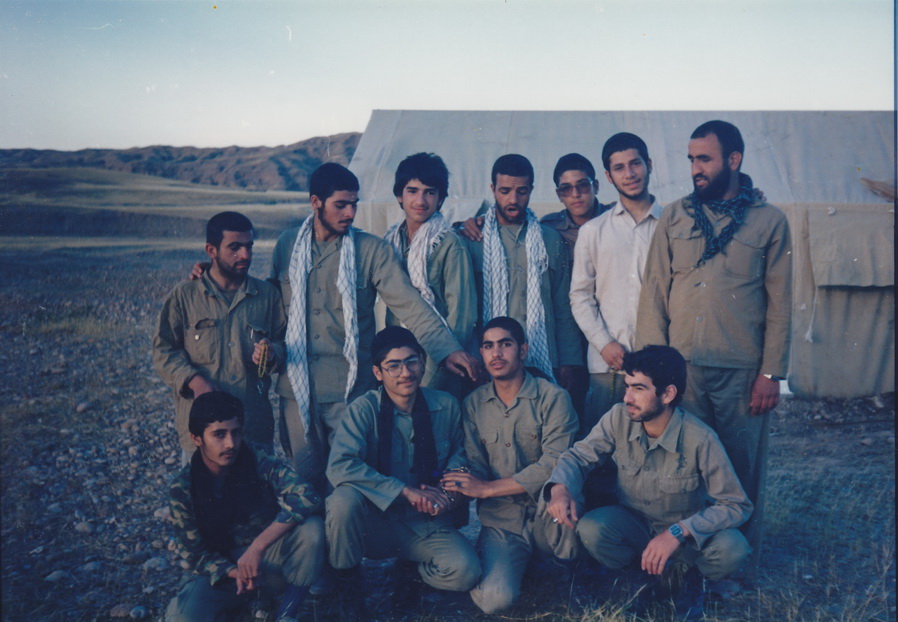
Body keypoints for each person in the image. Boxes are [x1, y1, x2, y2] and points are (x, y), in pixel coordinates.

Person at [636, 120, 791, 580]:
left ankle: (737, 568)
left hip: (742, 373)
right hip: (682, 372)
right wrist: (652, 372)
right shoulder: (675, 217)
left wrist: (771, 373)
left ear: (734, 160)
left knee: (740, 472)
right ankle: (687, 565)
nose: (695, 169)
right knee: (685, 471)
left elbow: (781, 303)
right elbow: (654, 293)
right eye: (691, 159)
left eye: (704, 158)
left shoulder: (769, 221)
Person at [268, 162, 480, 490]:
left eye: (354, 204)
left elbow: (410, 305)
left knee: (351, 485)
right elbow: (270, 306)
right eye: (341, 205)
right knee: (306, 483)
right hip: (296, 390)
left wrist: (448, 350)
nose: (350, 213)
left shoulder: (371, 250)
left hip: (349, 392)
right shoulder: (287, 245)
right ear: (315, 202)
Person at [545, 345, 752, 620]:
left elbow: (736, 505)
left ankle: (692, 582)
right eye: (627, 386)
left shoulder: (700, 438)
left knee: (732, 548)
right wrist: (560, 488)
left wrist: (678, 532)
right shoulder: (618, 417)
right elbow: (578, 457)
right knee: (593, 528)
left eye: (639, 389)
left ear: (668, 394)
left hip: (687, 540)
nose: (627, 397)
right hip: (638, 529)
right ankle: (642, 577)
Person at [325, 327, 481, 619]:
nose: (405, 373)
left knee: (465, 572)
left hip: (424, 520)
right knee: (342, 500)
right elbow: (341, 465)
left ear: (423, 362)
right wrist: (403, 491)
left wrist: (447, 494)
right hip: (374, 521)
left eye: (412, 362)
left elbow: (459, 457)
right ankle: (347, 586)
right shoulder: (363, 410)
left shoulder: (445, 405)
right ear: (378, 372)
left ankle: (412, 573)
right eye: (393, 366)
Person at [440, 316, 579, 614]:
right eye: (488, 346)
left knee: (564, 505)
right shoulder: (473, 404)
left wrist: (487, 489)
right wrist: (458, 482)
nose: (496, 353)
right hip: (503, 521)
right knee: (495, 600)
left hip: (547, 513)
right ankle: (511, 568)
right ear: (481, 353)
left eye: (505, 344)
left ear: (523, 350)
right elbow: (473, 463)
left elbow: (556, 462)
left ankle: (561, 575)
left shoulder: (553, 398)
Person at [165, 391, 324, 622]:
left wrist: (258, 547)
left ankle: (287, 612)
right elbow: (194, 554)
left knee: (312, 530)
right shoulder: (183, 488)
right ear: (197, 438)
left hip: (266, 560)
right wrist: (234, 571)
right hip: (223, 572)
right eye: (219, 434)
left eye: (236, 432)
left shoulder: (256, 459)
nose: (231, 443)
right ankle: (245, 604)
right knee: (182, 617)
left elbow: (306, 495)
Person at [154, 211, 286, 458]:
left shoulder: (267, 296)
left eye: (249, 246)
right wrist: (195, 381)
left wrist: (272, 355)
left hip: (252, 430)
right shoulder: (185, 296)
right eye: (235, 247)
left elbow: (284, 343)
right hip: (202, 433)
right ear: (211, 250)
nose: (245, 255)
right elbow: (164, 350)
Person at [460, 154, 583, 389]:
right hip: (490, 363)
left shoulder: (550, 239)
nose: (513, 199)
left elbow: (562, 305)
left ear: (531, 190)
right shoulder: (472, 238)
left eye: (522, 191)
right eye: (505, 191)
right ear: (493, 189)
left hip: (543, 359)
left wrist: (570, 362)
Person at [570, 133, 664, 434]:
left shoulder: (672, 226)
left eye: (635, 163)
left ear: (649, 165)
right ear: (609, 177)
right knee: (604, 447)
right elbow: (580, 296)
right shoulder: (593, 231)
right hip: (607, 366)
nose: (630, 173)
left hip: (659, 365)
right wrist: (604, 343)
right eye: (619, 168)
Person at [384, 153, 478, 397]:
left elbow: (462, 317)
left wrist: (438, 367)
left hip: (438, 363)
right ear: (399, 195)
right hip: (399, 357)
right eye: (412, 191)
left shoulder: (449, 244)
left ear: (440, 199)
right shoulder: (390, 243)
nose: (420, 200)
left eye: (429, 192)